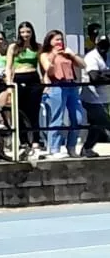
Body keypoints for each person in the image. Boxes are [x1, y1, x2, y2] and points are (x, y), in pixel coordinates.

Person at [40, 29, 90, 159]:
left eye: (61, 39)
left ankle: (71, 146)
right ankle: (54, 148)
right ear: (50, 41)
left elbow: (83, 65)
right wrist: (53, 56)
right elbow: (49, 70)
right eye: (57, 39)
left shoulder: (66, 54)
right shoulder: (45, 54)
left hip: (71, 85)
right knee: (57, 117)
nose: (60, 42)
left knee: (78, 117)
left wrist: (72, 55)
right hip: (57, 85)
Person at [6, 21, 44, 157]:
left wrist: (44, 82)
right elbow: (8, 66)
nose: (25, 35)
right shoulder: (14, 47)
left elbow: (42, 66)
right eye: (22, 32)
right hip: (19, 78)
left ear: (32, 32)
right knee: (20, 111)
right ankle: (23, 141)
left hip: (33, 77)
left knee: (34, 111)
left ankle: (36, 141)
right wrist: (9, 83)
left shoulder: (37, 47)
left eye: (28, 32)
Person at [83, 35, 110, 155]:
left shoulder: (108, 56)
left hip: (105, 97)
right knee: (104, 122)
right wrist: (104, 75)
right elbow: (94, 78)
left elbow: (100, 76)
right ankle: (86, 148)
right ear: (96, 44)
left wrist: (103, 74)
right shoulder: (91, 57)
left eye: (106, 45)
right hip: (91, 98)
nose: (104, 47)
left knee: (97, 125)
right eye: (101, 45)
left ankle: (87, 149)